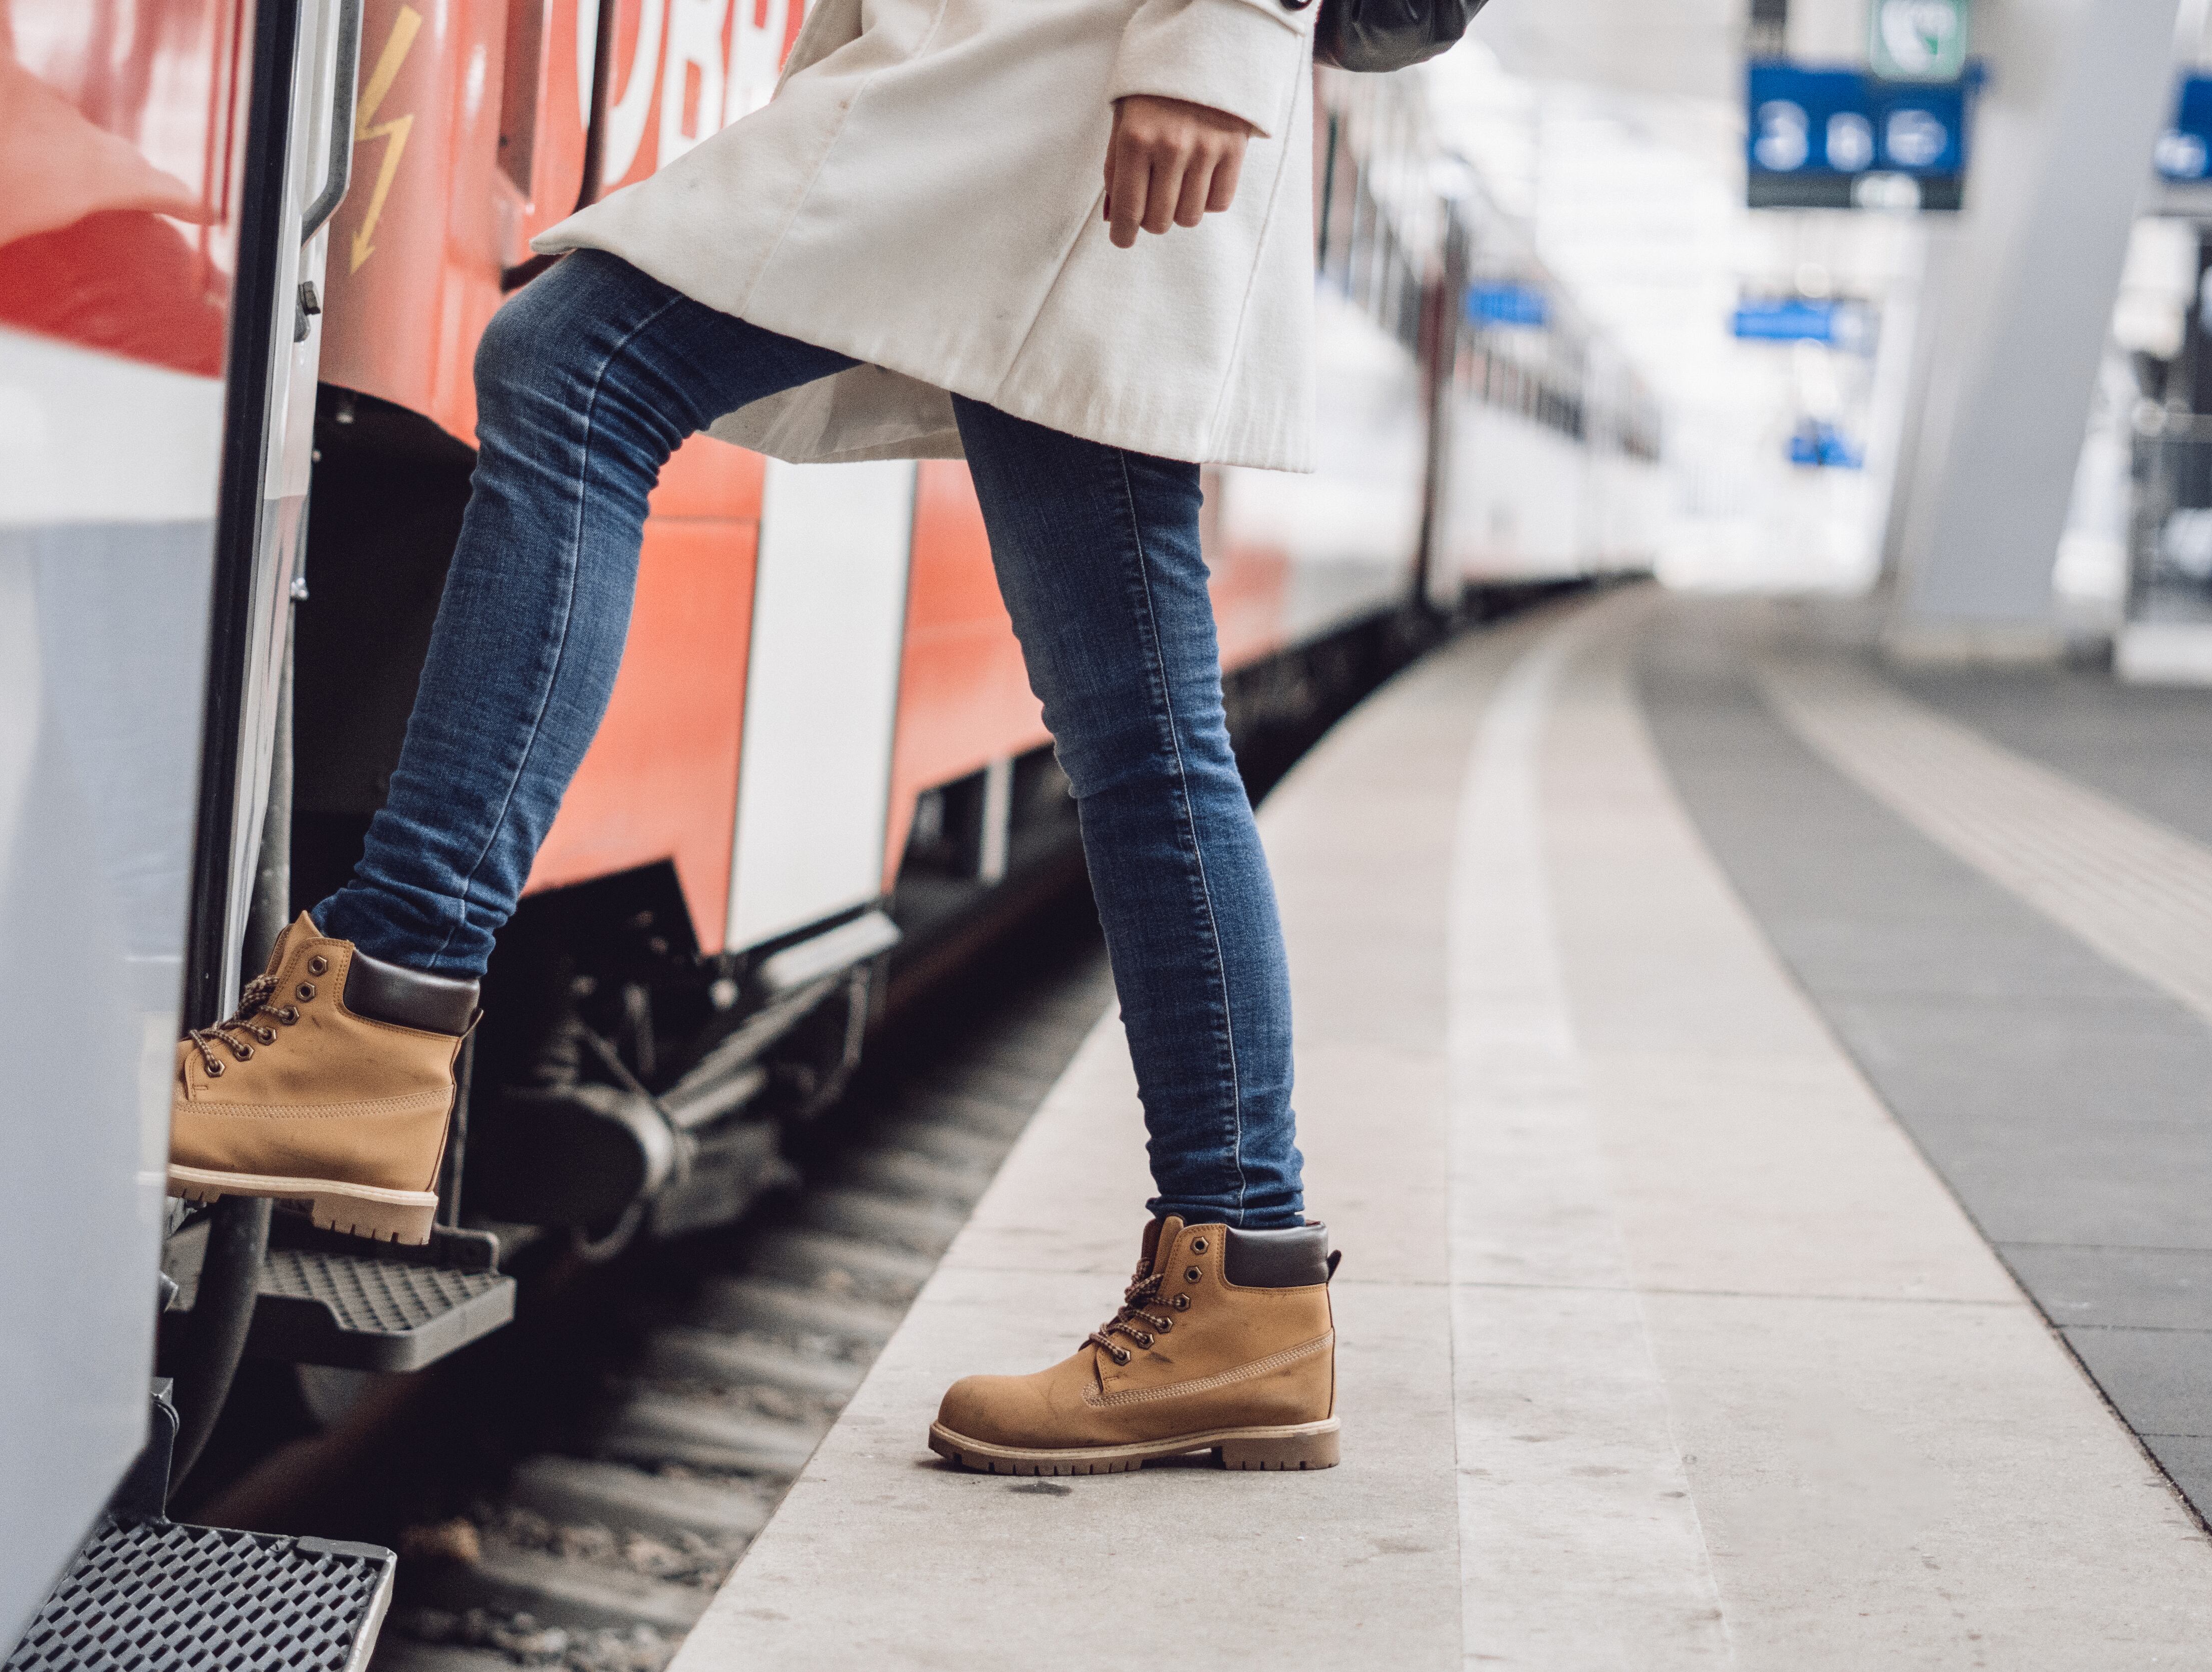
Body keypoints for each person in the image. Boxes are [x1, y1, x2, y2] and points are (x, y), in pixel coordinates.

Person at [164, 0, 1341, 1475]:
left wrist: (1219, 37)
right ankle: (1244, 1283)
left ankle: (379, 1018)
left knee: (578, 370)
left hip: (1081, 67)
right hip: (1058, 79)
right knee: (1143, 729)